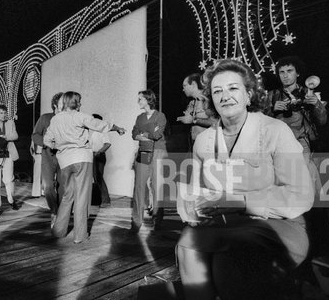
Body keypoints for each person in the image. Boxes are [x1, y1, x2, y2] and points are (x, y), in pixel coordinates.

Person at [176, 59, 314, 299]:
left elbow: (300, 195)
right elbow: (196, 192)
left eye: (233, 88)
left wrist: (238, 201)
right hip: (224, 224)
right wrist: (192, 210)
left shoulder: (275, 130)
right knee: (187, 243)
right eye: (217, 91)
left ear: (249, 94)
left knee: (228, 258)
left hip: (278, 224)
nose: (224, 96)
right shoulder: (204, 140)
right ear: (210, 99)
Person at [265, 56, 329, 256]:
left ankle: (318, 244)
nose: (285, 76)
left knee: (308, 194)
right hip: (277, 151)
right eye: (282, 72)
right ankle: (286, 244)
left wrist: (317, 104)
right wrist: (270, 110)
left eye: (289, 71)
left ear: (298, 73)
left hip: (300, 148)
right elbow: (258, 123)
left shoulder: (308, 93)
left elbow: (322, 121)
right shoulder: (272, 95)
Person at [43, 91, 126, 244]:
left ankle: (59, 231)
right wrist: (117, 128)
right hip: (82, 158)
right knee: (82, 197)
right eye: (79, 101)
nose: (80, 104)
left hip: (65, 161)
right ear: (75, 102)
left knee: (68, 196)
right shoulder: (79, 116)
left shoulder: (55, 119)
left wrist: (61, 146)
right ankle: (79, 236)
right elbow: (99, 124)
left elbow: (47, 141)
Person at [131, 90, 168, 232]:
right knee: (139, 187)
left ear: (148, 100)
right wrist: (144, 136)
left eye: (140, 99)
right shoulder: (140, 117)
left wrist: (144, 134)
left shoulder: (160, 116)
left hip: (158, 152)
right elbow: (134, 134)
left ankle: (157, 222)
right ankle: (136, 223)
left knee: (157, 187)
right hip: (143, 152)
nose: (138, 101)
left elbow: (157, 134)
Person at [32, 92, 64, 225]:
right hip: (48, 156)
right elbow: (35, 135)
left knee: (63, 189)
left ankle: (62, 214)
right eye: (63, 102)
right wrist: (45, 142)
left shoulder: (68, 119)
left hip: (64, 158)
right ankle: (54, 211)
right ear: (55, 104)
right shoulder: (45, 118)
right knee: (48, 187)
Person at [177, 73, 216, 146]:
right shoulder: (192, 103)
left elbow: (214, 122)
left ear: (193, 84)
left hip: (207, 145)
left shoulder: (207, 100)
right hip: (195, 144)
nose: (183, 89)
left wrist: (193, 120)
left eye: (185, 86)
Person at [90, 114, 111, 207]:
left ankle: (106, 200)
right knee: (95, 177)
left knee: (98, 177)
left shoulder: (103, 131)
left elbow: (107, 144)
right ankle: (99, 199)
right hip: (92, 156)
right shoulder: (91, 132)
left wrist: (98, 152)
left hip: (99, 156)